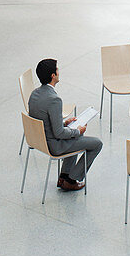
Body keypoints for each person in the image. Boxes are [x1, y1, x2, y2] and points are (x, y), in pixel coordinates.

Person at [28, 58, 103, 191]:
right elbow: (59, 133)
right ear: (53, 75)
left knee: (74, 133)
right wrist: (78, 131)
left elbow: (45, 122)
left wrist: (65, 122)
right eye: (57, 69)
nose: (58, 72)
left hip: (40, 141)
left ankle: (64, 176)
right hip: (54, 145)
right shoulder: (54, 100)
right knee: (97, 143)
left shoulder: (34, 94)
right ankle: (71, 179)